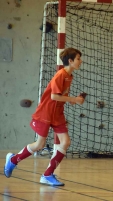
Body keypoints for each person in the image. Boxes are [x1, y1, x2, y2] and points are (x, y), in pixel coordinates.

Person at [4, 48, 85, 186]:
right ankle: (13, 160)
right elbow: (53, 96)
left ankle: (47, 175)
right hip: (46, 112)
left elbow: (60, 96)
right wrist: (75, 99)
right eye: (78, 58)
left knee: (65, 142)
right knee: (39, 144)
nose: (80, 61)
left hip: (58, 113)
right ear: (70, 61)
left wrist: (71, 100)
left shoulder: (69, 76)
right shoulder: (60, 75)